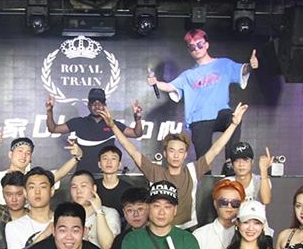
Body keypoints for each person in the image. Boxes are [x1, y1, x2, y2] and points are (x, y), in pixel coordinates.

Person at [103, 103, 248, 229]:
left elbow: (215, 149)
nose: (176, 155)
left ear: (185, 154)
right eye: (172, 151)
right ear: (165, 153)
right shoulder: (155, 172)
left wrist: (234, 124)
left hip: (187, 229)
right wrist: (113, 126)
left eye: (180, 151)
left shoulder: (192, 170)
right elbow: (132, 151)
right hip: (158, 229)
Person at [147, 29, 258, 173]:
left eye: (199, 45)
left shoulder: (223, 64)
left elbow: (242, 70)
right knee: (204, 163)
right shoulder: (188, 75)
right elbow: (169, 86)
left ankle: (230, 162)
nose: (197, 49)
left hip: (221, 113)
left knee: (233, 119)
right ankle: (205, 179)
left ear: (206, 45)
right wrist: (155, 83)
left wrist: (250, 66)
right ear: (189, 50)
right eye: (192, 47)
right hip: (199, 119)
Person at [46, 87, 143, 172]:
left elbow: (136, 133)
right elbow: (53, 129)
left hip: (105, 175)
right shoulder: (78, 122)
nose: (97, 106)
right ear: (88, 105)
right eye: (93, 103)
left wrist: (138, 118)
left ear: (105, 105)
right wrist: (49, 111)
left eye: (100, 103)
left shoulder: (112, 124)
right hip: (83, 174)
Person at [0, 137, 81, 206]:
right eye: (20, 151)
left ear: (31, 158)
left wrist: (77, 158)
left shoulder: (33, 179)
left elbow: (59, 174)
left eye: (28, 153)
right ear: (10, 154)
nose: (23, 155)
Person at [68, 170, 121, 249]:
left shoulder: (110, 213)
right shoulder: (66, 216)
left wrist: (99, 211)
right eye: (74, 187)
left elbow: (107, 245)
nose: (78, 191)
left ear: (94, 188)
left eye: (83, 186)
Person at [5, 167, 55, 249]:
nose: (37, 192)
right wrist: (44, 235)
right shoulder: (14, 227)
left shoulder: (64, 221)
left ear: (52, 191)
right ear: (25, 192)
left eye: (43, 187)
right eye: (32, 187)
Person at [94, 145, 132, 219]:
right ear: (99, 164)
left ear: (119, 164)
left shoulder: (128, 189)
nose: (109, 162)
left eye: (113, 159)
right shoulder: (93, 187)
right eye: (105, 158)